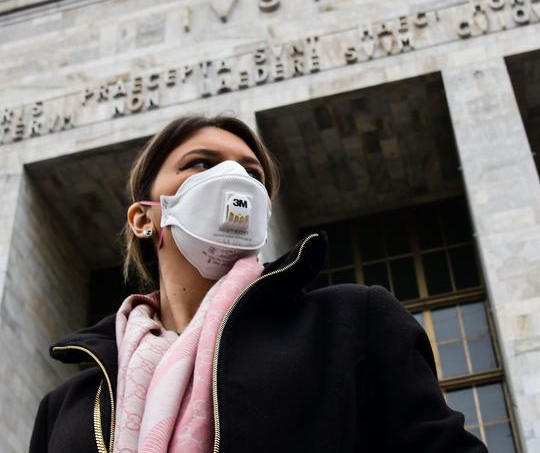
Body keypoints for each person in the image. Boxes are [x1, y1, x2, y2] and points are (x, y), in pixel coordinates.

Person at [29, 115, 489, 452]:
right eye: (201, 163)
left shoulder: (351, 323)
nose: (232, 180)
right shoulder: (67, 406)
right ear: (144, 217)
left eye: (252, 174)